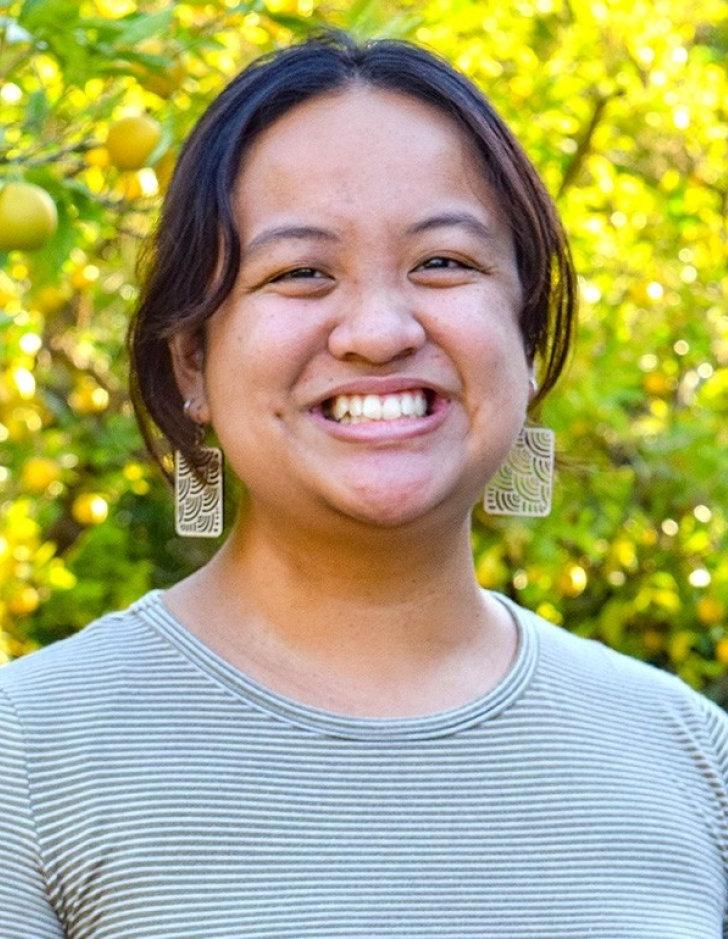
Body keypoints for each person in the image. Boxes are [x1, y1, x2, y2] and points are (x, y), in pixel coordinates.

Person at [1, 30, 726, 939]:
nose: (379, 331)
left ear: (525, 337)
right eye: (300, 272)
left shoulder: (692, 756)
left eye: (443, 263)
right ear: (192, 359)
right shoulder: (27, 754)